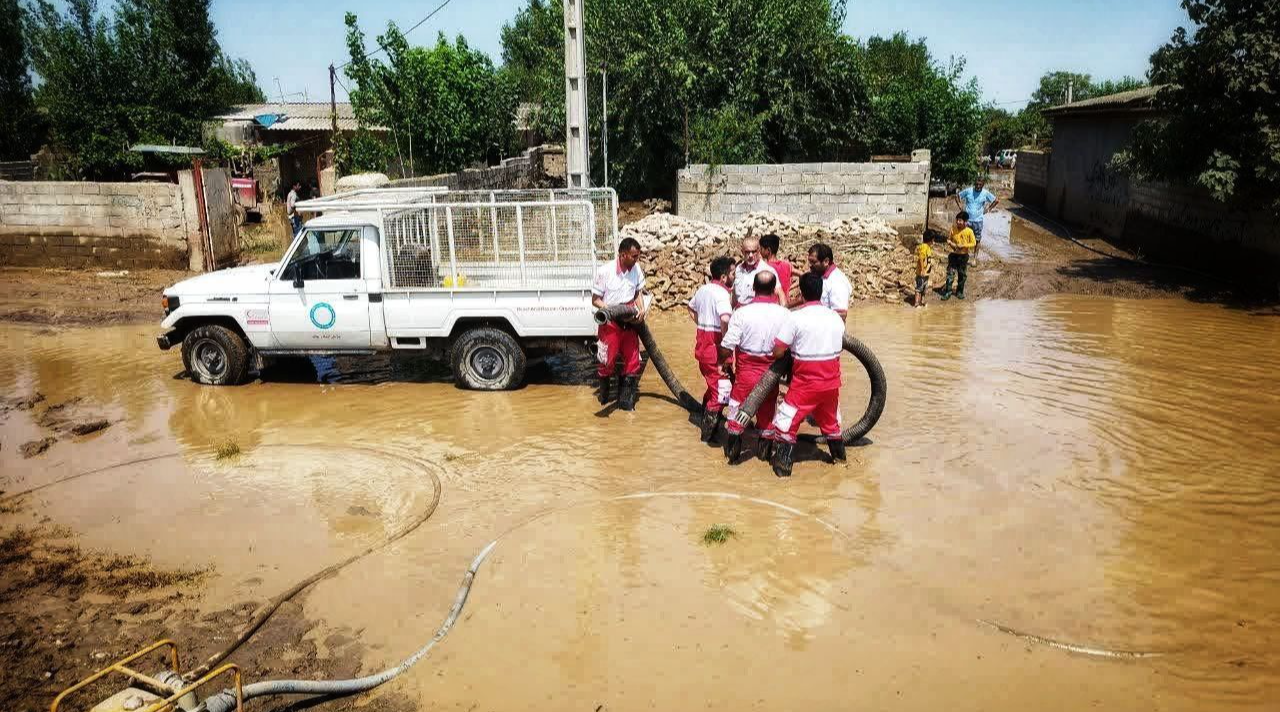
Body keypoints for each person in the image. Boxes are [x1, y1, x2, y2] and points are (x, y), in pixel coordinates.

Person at [768, 272, 847, 477]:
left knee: (786, 424)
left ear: (801, 293)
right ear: (821, 292)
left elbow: (777, 351)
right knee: (831, 425)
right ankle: (841, 464)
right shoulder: (836, 319)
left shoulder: (795, 318)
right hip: (831, 383)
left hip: (806, 384)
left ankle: (783, 472)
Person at [720, 271, 789, 464]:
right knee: (767, 416)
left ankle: (732, 458)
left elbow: (727, 347)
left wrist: (722, 363)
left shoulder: (741, 313)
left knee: (736, 412)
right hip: (771, 374)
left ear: (753, 289)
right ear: (775, 290)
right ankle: (764, 457)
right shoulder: (784, 314)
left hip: (746, 373)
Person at [592, 237, 647, 410]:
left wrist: (642, 309)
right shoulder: (605, 272)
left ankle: (626, 403)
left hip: (630, 323)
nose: (636, 260)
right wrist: (610, 310)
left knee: (632, 362)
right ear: (623, 255)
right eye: (634, 256)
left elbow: (637, 292)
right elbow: (595, 300)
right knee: (606, 361)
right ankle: (605, 396)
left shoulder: (636, 269)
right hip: (611, 323)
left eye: (637, 256)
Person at [687, 256, 736, 441]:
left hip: (703, 349)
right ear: (724, 277)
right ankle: (707, 436)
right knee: (721, 394)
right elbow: (725, 318)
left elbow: (690, 308)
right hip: (716, 352)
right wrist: (727, 342)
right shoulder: (722, 294)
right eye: (732, 273)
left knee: (714, 387)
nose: (734, 277)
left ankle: (704, 418)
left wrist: (702, 325)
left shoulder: (703, 290)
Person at [732, 236, 784, 307]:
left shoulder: (767, 270)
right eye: (747, 252)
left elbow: (780, 294)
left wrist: (783, 313)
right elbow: (734, 296)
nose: (750, 255)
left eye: (753, 252)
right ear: (742, 252)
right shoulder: (738, 269)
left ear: (758, 251)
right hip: (739, 314)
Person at [806, 243, 852, 320]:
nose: (810, 265)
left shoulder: (837, 282)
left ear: (826, 261)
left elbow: (842, 314)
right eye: (809, 262)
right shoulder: (819, 276)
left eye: (814, 262)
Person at [952, 178, 998, 255]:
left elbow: (996, 200)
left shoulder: (985, 193)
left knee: (977, 240)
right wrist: (960, 207)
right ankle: (964, 254)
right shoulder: (968, 191)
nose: (978, 186)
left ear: (983, 185)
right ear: (974, 184)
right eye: (976, 184)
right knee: (964, 237)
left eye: (980, 185)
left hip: (978, 221)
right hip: (967, 220)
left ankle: (974, 258)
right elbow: (957, 196)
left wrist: (988, 209)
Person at [941, 212, 976, 301]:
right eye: (957, 220)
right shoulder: (953, 228)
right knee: (950, 274)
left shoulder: (969, 231)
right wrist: (950, 243)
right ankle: (948, 292)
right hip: (953, 255)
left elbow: (973, 243)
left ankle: (959, 292)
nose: (958, 222)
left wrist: (963, 246)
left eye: (960, 220)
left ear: (965, 222)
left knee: (962, 275)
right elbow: (949, 239)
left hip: (963, 256)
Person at [759, 233, 793, 305]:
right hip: (786, 304)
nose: (760, 251)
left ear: (768, 250)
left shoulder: (765, 267)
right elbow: (802, 274)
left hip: (772, 304)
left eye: (761, 248)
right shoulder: (787, 265)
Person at [914, 232, 936, 308]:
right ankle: (917, 303)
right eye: (933, 240)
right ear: (930, 240)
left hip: (926, 273)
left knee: (924, 288)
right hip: (921, 273)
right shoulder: (924, 247)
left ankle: (922, 301)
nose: (934, 242)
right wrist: (923, 269)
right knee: (919, 287)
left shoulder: (928, 247)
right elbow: (921, 258)